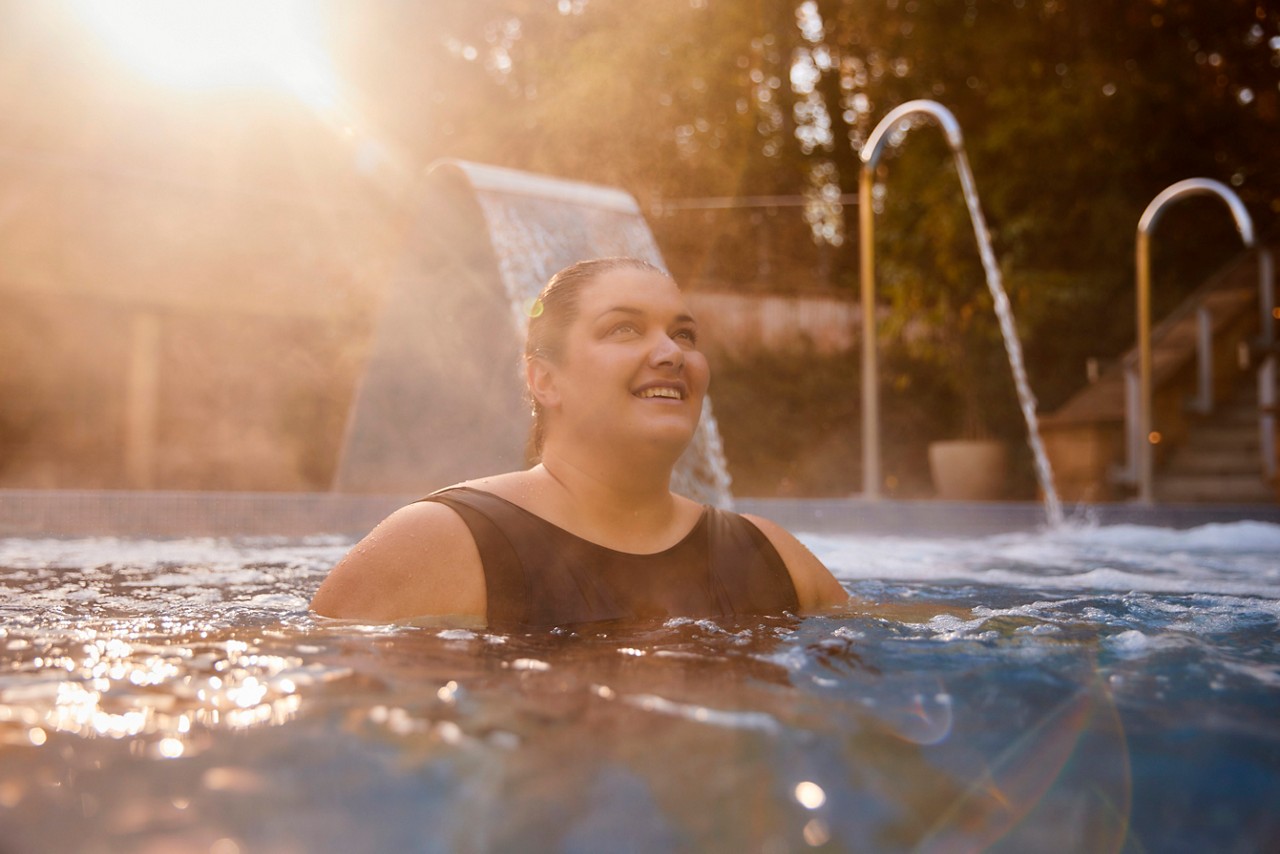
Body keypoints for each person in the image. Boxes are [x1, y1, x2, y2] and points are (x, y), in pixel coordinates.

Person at [311, 257, 847, 627]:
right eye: (624, 329)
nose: (671, 353)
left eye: (684, 334)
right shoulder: (439, 544)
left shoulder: (769, 557)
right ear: (544, 380)